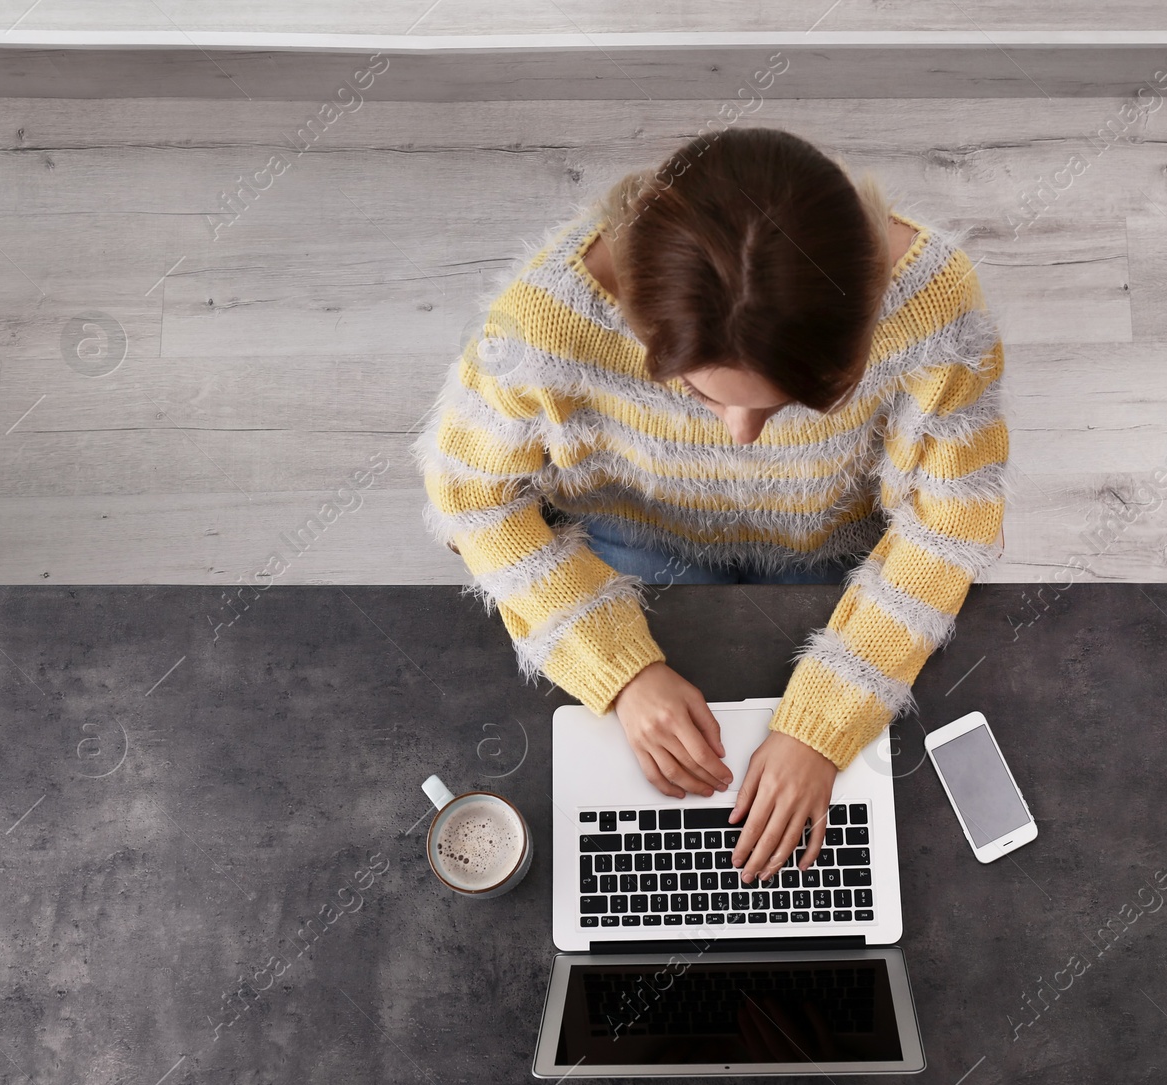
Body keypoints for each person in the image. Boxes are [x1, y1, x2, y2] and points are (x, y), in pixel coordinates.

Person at [412, 127, 1007, 886]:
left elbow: (954, 520)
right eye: (701, 394)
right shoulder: (539, 325)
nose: (743, 437)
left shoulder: (937, 309)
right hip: (636, 531)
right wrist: (619, 673)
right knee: (669, 778)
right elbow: (471, 498)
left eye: (789, 404)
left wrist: (825, 727)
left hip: (828, 542)